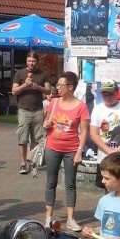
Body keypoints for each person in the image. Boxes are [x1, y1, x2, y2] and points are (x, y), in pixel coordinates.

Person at [43, 71, 89, 230]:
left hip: (71, 149)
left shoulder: (81, 107)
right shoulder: (53, 102)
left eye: (61, 85)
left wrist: (79, 151)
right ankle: (48, 217)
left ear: (70, 87)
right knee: (51, 182)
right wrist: (45, 124)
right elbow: (46, 121)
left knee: (70, 184)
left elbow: (84, 131)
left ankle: (70, 219)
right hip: (52, 147)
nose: (57, 88)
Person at [12, 51, 51, 174]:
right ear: (26, 61)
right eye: (29, 61)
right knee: (22, 138)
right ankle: (23, 163)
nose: (31, 63)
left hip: (38, 110)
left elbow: (49, 90)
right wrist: (25, 85)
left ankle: (33, 162)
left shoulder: (43, 74)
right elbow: (14, 91)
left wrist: (37, 87)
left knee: (37, 138)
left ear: (37, 62)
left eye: (34, 61)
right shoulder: (20, 73)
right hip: (23, 110)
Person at [88, 79, 120, 189]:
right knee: (107, 187)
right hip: (104, 155)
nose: (108, 97)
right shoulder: (98, 109)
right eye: (104, 94)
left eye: (111, 94)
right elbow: (93, 134)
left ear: (117, 92)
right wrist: (109, 151)